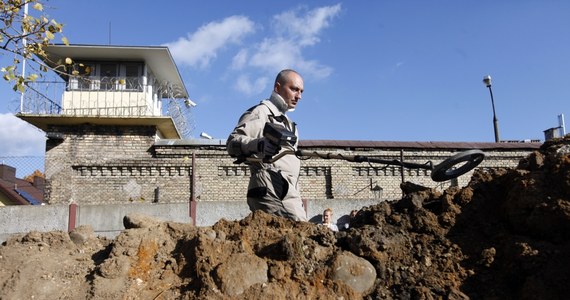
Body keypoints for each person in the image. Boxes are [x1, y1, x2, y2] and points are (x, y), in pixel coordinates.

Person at [227, 69, 307, 221]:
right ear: (277, 87)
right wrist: (258, 144)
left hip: (288, 190)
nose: (299, 96)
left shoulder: (289, 124)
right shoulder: (261, 113)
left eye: (301, 91)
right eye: (294, 89)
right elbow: (232, 143)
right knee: (301, 231)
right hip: (271, 187)